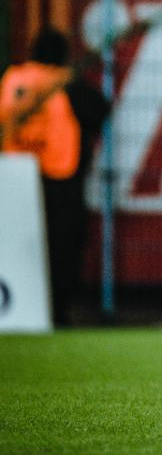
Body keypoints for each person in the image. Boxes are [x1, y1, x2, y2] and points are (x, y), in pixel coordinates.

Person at [0, 27, 81, 326]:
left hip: (14, 175)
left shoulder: (13, 79)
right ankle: (57, 312)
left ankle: (15, 304)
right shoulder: (66, 83)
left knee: (16, 248)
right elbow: (98, 110)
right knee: (61, 248)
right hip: (57, 177)